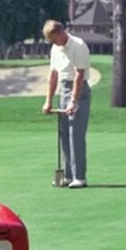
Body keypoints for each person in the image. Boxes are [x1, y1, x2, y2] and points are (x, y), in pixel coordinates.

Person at [41, 19, 91, 188]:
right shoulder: (56, 48)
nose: (54, 43)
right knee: (64, 135)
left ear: (61, 32)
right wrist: (48, 101)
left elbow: (79, 75)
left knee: (75, 134)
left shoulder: (78, 45)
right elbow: (53, 76)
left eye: (54, 39)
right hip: (63, 89)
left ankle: (80, 177)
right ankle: (68, 176)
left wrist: (73, 101)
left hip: (79, 90)